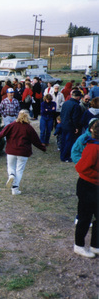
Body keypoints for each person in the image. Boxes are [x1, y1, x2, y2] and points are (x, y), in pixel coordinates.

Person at [0, 110, 46, 195]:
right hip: (23, 152)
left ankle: (11, 175)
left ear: (18, 116)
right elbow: (36, 140)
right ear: (27, 117)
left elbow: (0, 135)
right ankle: (15, 189)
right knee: (19, 170)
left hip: (11, 150)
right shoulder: (29, 128)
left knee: (11, 166)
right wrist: (43, 148)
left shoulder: (11, 125)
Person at [73, 121, 99, 258]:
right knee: (85, 217)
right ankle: (79, 245)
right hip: (87, 186)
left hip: (95, 186)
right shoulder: (92, 148)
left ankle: (95, 245)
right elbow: (80, 168)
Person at [59, 90, 82, 162]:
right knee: (69, 142)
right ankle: (66, 157)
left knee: (63, 141)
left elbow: (62, 114)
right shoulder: (76, 105)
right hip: (71, 126)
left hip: (64, 124)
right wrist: (76, 127)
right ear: (78, 97)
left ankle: (62, 155)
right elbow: (75, 118)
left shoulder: (66, 103)